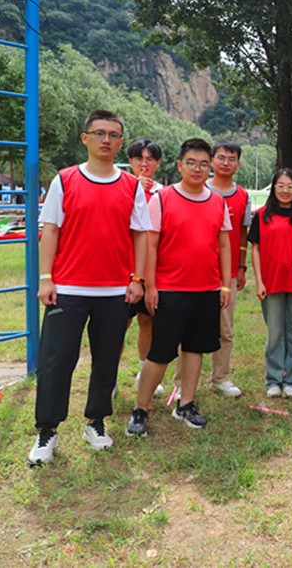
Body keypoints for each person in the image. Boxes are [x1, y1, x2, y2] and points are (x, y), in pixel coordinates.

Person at [28, 110, 150, 465]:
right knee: (55, 360)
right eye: (99, 133)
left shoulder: (131, 186)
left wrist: (137, 279)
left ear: (120, 143)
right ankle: (47, 430)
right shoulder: (65, 180)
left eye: (113, 135)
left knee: (107, 359)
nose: (106, 140)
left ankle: (96, 422)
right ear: (85, 138)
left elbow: (141, 235)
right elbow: (50, 230)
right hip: (68, 287)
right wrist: (46, 278)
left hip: (114, 290)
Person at [127, 138, 232, 437]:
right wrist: (150, 286)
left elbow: (224, 244)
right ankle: (140, 409)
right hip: (171, 289)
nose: (197, 169)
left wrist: (224, 286)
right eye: (191, 163)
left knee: (196, 349)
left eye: (203, 164)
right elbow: (151, 245)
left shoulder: (217, 201)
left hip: (206, 289)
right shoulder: (162, 199)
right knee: (160, 352)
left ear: (210, 167)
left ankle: (186, 404)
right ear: (179, 165)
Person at [200, 142, 252, 398]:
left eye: (231, 159)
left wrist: (241, 267)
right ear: (212, 161)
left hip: (227, 273)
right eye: (221, 157)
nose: (225, 163)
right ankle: (182, 382)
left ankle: (220, 378)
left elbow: (242, 233)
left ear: (238, 165)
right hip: (197, 271)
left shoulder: (243, 196)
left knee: (225, 328)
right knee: (191, 328)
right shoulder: (198, 189)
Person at [248, 169, 292, 398]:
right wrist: (259, 281)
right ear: (273, 188)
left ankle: (291, 379)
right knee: (275, 333)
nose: (285, 190)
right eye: (280, 185)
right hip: (271, 282)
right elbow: (255, 249)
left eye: (290, 186)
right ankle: (273, 379)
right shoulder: (262, 215)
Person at [125, 138, 165, 399]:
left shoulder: (164, 193)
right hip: (123, 268)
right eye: (139, 158)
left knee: (147, 321)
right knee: (119, 324)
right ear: (130, 161)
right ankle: (108, 377)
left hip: (152, 270)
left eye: (150, 159)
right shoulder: (122, 187)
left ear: (158, 163)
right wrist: (135, 191)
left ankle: (144, 371)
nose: (144, 164)